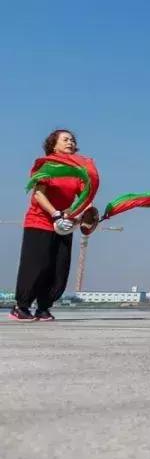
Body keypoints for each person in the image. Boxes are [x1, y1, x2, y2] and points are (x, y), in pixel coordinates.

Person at [10, 130, 99, 322]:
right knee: (37, 265)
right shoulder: (47, 166)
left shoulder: (78, 171)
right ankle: (21, 306)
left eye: (73, 140)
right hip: (40, 221)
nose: (70, 142)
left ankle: (43, 307)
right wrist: (55, 214)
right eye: (65, 139)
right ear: (53, 145)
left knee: (59, 269)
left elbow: (85, 199)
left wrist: (87, 215)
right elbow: (38, 194)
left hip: (64, 224)